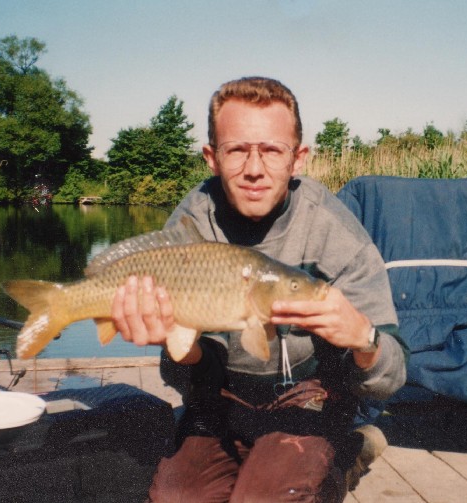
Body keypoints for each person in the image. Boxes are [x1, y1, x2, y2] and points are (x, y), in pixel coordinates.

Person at [112, 76, 406, 502]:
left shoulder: (336, 232)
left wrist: (364, 338)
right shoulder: (193, 224)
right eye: (236, 150)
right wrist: (181, 347)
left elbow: (391, 377)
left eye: (271, 150)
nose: (254, 168)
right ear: (212, 157)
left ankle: (346, 452)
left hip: (309, 398)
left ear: (298, 158)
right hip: (222, 396)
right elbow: (186, 379)